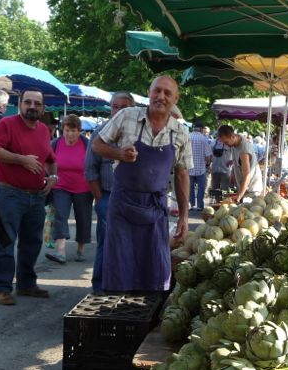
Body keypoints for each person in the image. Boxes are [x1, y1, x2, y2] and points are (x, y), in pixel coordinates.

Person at [91, 75, 190, 291]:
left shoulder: (181, 132)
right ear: (149, 92)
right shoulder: (127, 116)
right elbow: (97, 145)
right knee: (120, 265)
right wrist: (118, 153)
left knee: (155, 268)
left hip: (155, 207)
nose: (161, 97)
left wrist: (184, 215)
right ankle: (117, 313)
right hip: (123, 204)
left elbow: (182, 175)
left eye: (167, 93)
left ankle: (146, 314)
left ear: (175, 99)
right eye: (157, 91)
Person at [0, 88, 58, 304]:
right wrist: (22, 159)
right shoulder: (6, 124)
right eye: (28, 102)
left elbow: (51, 158)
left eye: (37, 103)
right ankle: (2, 287)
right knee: (6, 241)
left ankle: (26, 284)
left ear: (43, 108)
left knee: (32, 242)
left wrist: (53, 177)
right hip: (10, 193)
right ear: (20, 104)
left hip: (37, 196)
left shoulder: (44, 130)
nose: (32, 106)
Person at [85, 92, 134, 294]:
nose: (119, 111)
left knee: (131, 244)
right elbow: (90, 170)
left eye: (124, 107)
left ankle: (127, 285)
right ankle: (100, 286)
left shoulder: (140, 135)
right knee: (106, 244)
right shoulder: (100, 133)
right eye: (115, 106)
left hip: (134, 200)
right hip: (108, 196)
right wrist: (100, 200)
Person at [45, 114, 92, 264]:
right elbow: (47, 162)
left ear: (79, 131)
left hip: (83, 188)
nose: (70, 134)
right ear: (62, 130)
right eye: (67, 130)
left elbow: (93, 164)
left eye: (73, 131)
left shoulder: (87, 144)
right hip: (60, 186)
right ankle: (61, 252)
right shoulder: (55, 144)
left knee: (83, 218)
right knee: (60, 215)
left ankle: (80, 249)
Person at [217, 124, 263, 201]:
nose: (225, 145)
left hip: (251, 190)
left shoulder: (244, 150)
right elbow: (239, 161)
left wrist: (239, 196)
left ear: (232, 136)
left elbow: (247, 176)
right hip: (245, 189)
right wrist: (233, 174)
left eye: (226, 142)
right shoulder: (236, 141)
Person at [188, 119, 211, 211]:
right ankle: (200, 206)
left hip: (189, 167)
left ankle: (191, 204)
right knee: (201, 188)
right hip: (201, 167)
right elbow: (208, 156)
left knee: (190, 187)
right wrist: (208, 164)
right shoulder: (204, 139)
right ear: (201, 129)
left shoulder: (188, 137)